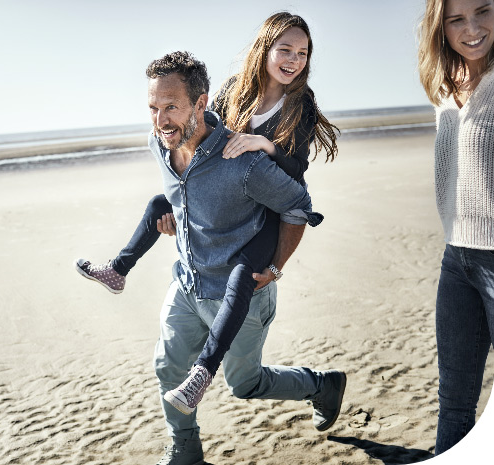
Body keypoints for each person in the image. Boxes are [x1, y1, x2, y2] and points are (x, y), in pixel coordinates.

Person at [75, 13, 340, 416]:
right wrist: (182, 216)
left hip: (267, 214)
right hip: (228, 202)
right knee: (157, 206)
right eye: (285, 49)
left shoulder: (298, 106)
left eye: (302, 52)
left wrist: (263, 146)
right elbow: (206, 137)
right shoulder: (236, 89)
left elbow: (295, 177)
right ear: (263, 50)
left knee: (241, 284)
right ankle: (119, 269)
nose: (293, 59)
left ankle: (206, 372)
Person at [133, 50, 346, 465]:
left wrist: (275, 267)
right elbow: (184, 197)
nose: (161, 121)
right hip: (188, 283)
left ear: (201, 103)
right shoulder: (160, 144)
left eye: (171, 107)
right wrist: (178, 219)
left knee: (244, 384)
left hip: (242, 292)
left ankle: (322, 385)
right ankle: (185, 450)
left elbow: (298, 206)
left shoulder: (243, 162)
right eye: (154, 108)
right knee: (168, 368)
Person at [418, 0, 494, 455]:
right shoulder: (444, 88)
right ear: (440, 27)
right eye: (456, 19)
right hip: (457, 259)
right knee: (454, 405)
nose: (472, 28)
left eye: (483, 11)